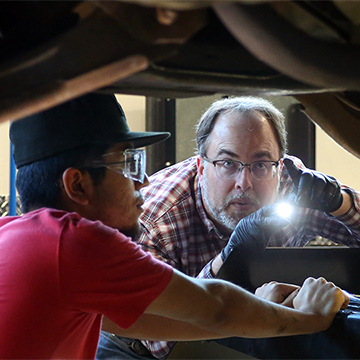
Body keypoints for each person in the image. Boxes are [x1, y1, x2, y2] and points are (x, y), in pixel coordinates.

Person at [0, 93, 349, 359]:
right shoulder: (77, 243)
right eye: (127, 164)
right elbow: (217, 308)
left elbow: (149, 320)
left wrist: (272, 313)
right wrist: (308, 319)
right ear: (77, 185)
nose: (143, 181)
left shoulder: (16, 234)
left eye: (260, 165)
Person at [96, 96, 360, 359]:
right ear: (201, 166)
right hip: (136, 347)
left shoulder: (292, 185)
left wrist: (340, 202)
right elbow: (162, 339)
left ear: (280, 167)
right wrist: (228, 259)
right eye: (228, 163)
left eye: (260, 164)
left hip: (246, 327)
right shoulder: (153, 219)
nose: (244, 183)